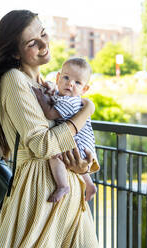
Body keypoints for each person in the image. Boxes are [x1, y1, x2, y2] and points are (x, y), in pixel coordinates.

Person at [0, 10, 99, 247]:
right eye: (32, 43)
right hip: (40, 197)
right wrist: (86, 111)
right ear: (14, 52)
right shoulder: (14, 80)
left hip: (68, 201)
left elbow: (67, 139)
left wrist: (82, 167)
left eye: (43, 34)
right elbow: (43, 145)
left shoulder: (49, 85)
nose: (43, 44)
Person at [33, 57, 99, 202]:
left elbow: (50, 113)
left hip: (79, 143)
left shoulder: (72, 101)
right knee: (66, 153)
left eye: (77, 82)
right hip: (80, 141)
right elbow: (53, 96)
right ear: (58, 77)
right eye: (66, 77)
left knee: (54, 154)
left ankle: (63, 185)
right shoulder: (61, 96)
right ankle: (89, 184)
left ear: (84, 89)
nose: (70, 84)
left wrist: (40, 96)